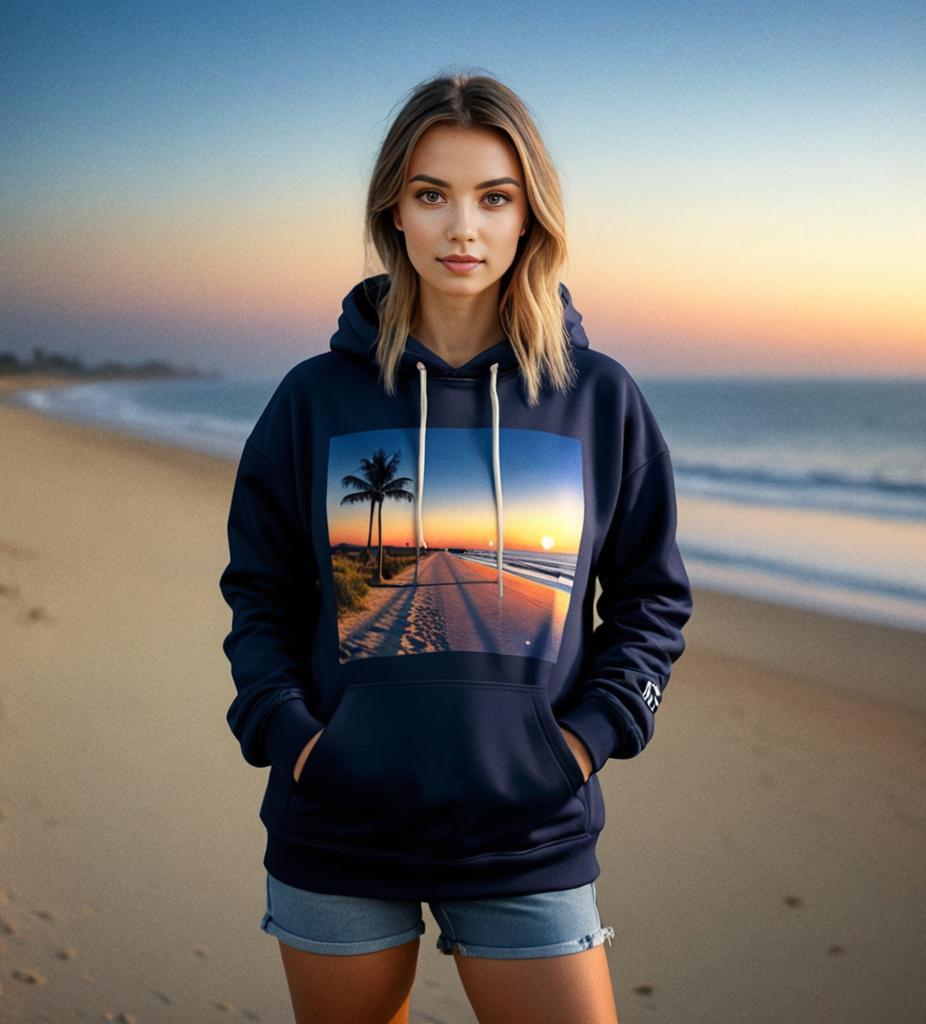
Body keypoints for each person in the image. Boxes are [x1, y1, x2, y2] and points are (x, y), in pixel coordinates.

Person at [219, 70, 693, 1024]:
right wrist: (294, 740)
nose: (462, 228)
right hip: (337, 827)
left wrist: (584, 743)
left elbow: (652, 600)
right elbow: (259, 596)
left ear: (531, 219)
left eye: (494, 197)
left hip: (530, 832)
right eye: (433, 195)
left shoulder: (597, 400)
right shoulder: (316, 398)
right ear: (395, 210)